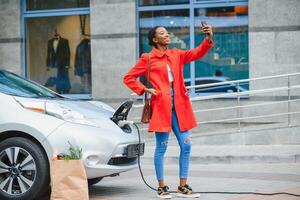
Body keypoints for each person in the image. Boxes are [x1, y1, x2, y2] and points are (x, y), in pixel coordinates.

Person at [123, 24, 214, 199]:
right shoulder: (147, 58)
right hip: (161, 107)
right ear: (155, 39)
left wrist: (208, 38)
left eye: (167, 33)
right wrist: (145, 90)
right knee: (161, 147)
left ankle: (182, 186)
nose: (167, 35)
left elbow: (196, 53)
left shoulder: (176, 54)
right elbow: (128, 77)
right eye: (163, 33)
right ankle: (161, 186)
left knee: (186, 144)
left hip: (179, 105)